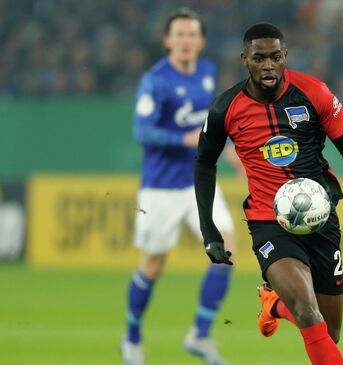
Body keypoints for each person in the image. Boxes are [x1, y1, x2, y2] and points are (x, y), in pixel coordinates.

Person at [194, 23, 343, 365]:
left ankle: (274, 304)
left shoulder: (313, 92)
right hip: (269, 221)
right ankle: (284, 302)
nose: (268, 65)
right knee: (307, 313)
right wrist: (208, 229)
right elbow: (204, 163)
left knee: (329, 334)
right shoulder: (225, 109)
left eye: (275, 57)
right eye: (259, 58)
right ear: (245, 59)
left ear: (285, 56)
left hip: (321, 219)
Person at [121, 9, 241, 365]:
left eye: (192, 35)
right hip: (160, 188)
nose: (186, 41)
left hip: (198, 182)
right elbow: (142, 132)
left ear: (201, 41)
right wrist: (185, 139)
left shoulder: (206, 74)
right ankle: (131, 338)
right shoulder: (155, 81)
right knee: (153, 265)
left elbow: (208, 125)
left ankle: (200, 335)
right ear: (167, 41)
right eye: (179, 34)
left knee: (226, 249)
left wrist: (229, 149)